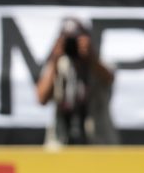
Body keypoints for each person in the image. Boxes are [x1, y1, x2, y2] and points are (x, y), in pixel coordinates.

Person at [35, 18, 118, 146]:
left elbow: (109, 78)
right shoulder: (58, 66)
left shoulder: (100, 64)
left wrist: (91, 58)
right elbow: (41, 98)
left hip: (99, 143)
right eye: (68, 40)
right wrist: (54, 59)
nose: (72, 44)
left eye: (76, 39)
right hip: (61, 142)